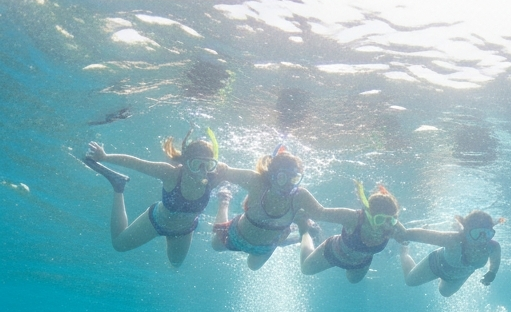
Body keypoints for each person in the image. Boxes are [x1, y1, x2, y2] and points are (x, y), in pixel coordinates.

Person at [82, 128, 238, 267]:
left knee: (176, 263)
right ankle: (118, 186)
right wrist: (105, 157)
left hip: (183, 230)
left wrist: (227, 175)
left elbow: (244, 178)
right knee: (118, 245)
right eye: (196, 164)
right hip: (156, 221)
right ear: (185, 162)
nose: (202, 171)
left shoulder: (213, 179)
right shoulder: (171, 174)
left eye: (208, 165)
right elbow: (137, 164)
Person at [297, 181, 461, 283]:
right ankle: (306, 231)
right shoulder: (353, 218)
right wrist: (299, 195)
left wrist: (449, 236)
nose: (385, 225)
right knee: (305, 269)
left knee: (353, 281)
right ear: (368, 214)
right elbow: (320, 212)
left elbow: (408, 235)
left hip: (359, 264)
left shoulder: (393, 225)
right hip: (333, 252)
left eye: (391, 219)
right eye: (379, 220)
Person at [210, 145, 344, 270]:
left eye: (294, 179)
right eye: (282, 177)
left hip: (263, 248)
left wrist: (352, 218)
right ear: (271, 176)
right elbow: (225, 171)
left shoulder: (300, 195)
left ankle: (297, 226)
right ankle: (224, 202)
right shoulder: (256, 182)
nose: (288, 184)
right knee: (215, 245)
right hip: (236, 234)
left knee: (253, 266)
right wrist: (219, 171)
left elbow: (321, 213)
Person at [400, 210, 502, 296]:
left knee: (445, 293)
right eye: (476, 233)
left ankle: (438, 278)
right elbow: (424, 235)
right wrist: (402, 234)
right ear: (466, 232)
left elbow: (495, 263)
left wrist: (491, 273)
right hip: (435, 264)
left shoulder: (493, 247)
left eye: (488, 234)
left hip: (457, 277)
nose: (482, 239)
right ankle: (404, 252)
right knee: (410, 281)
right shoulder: (453, 240)